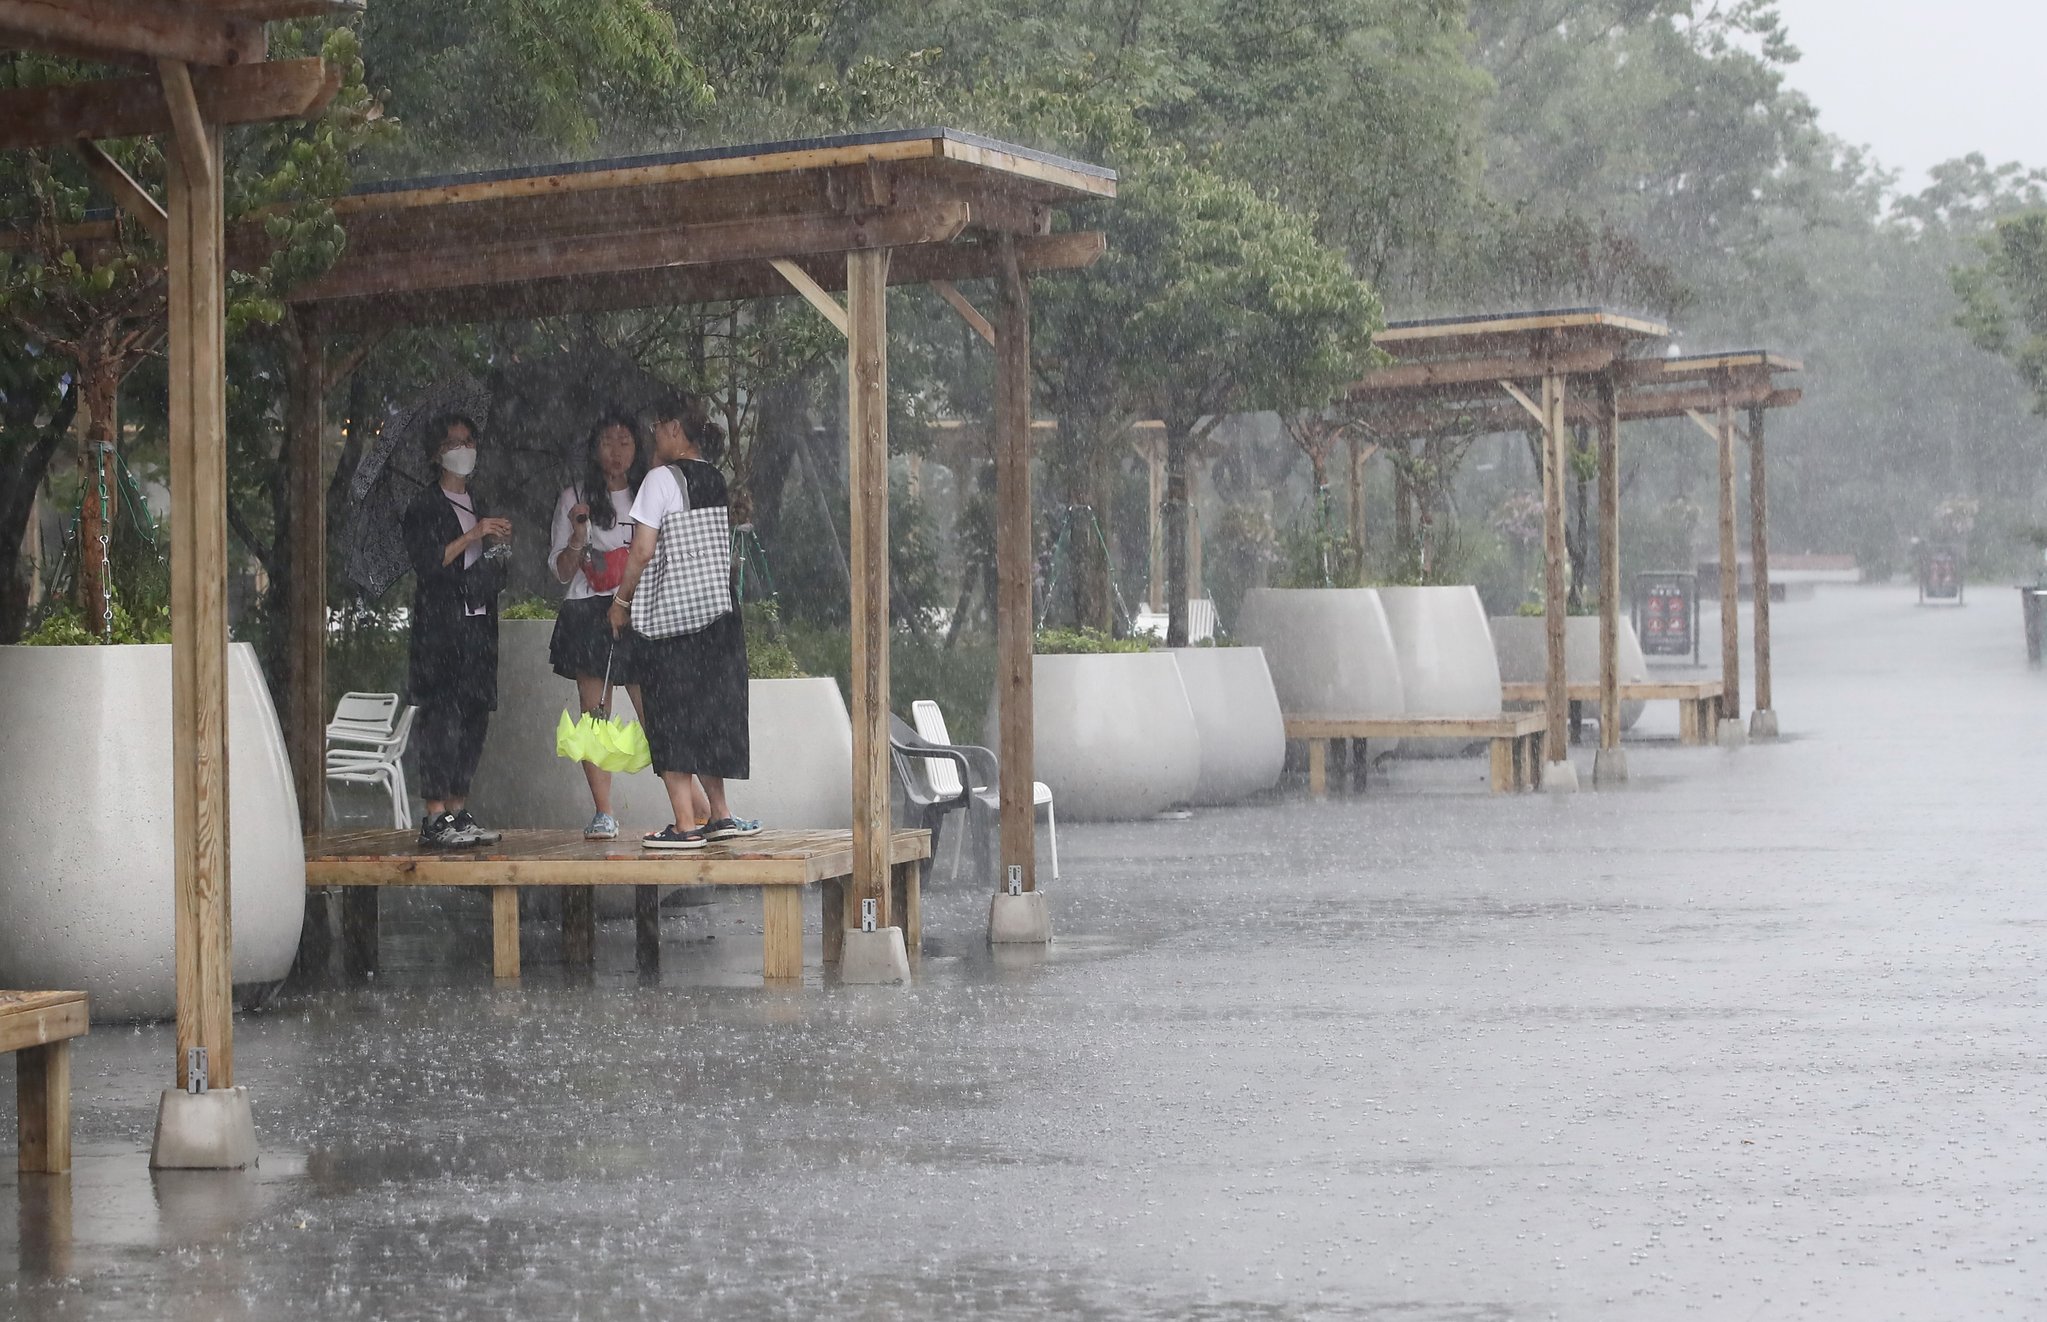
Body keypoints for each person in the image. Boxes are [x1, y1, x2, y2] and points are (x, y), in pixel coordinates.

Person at [547, 411, 711, 838]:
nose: (616, 452)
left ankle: (693, 805)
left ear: (637, 446)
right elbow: (562, 572)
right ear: (593, 448)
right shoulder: (575, 497)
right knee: (595, 714)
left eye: (624, 441)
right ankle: (604, 811)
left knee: (653, 711)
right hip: (587, 612)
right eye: (607, 442)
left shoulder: (648, 489)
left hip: (639, 611)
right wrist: (578, 538)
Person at [608, 399, 759, 850]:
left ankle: (683, 823)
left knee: (670, 713)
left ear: (675, 428)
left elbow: (642, 550)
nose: (653, 434)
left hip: (674, 622)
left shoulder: (659, 480)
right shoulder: (713, 477)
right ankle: (720, 814)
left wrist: (621, 601)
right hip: (717, 615)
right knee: (710, 713)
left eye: (657, 426)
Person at [401, 412, 509, 849]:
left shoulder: (481, 502)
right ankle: (434, 816)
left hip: (479, 629)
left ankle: (459, 809)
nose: (463, 450)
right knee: (440, 718)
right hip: (441, 631)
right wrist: (472, 536)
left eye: (469, 441)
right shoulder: (425, 506)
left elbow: (498, 573)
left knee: (472, 718)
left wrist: (500, 547)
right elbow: (429, 563)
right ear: (436, 454)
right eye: (453, 443)